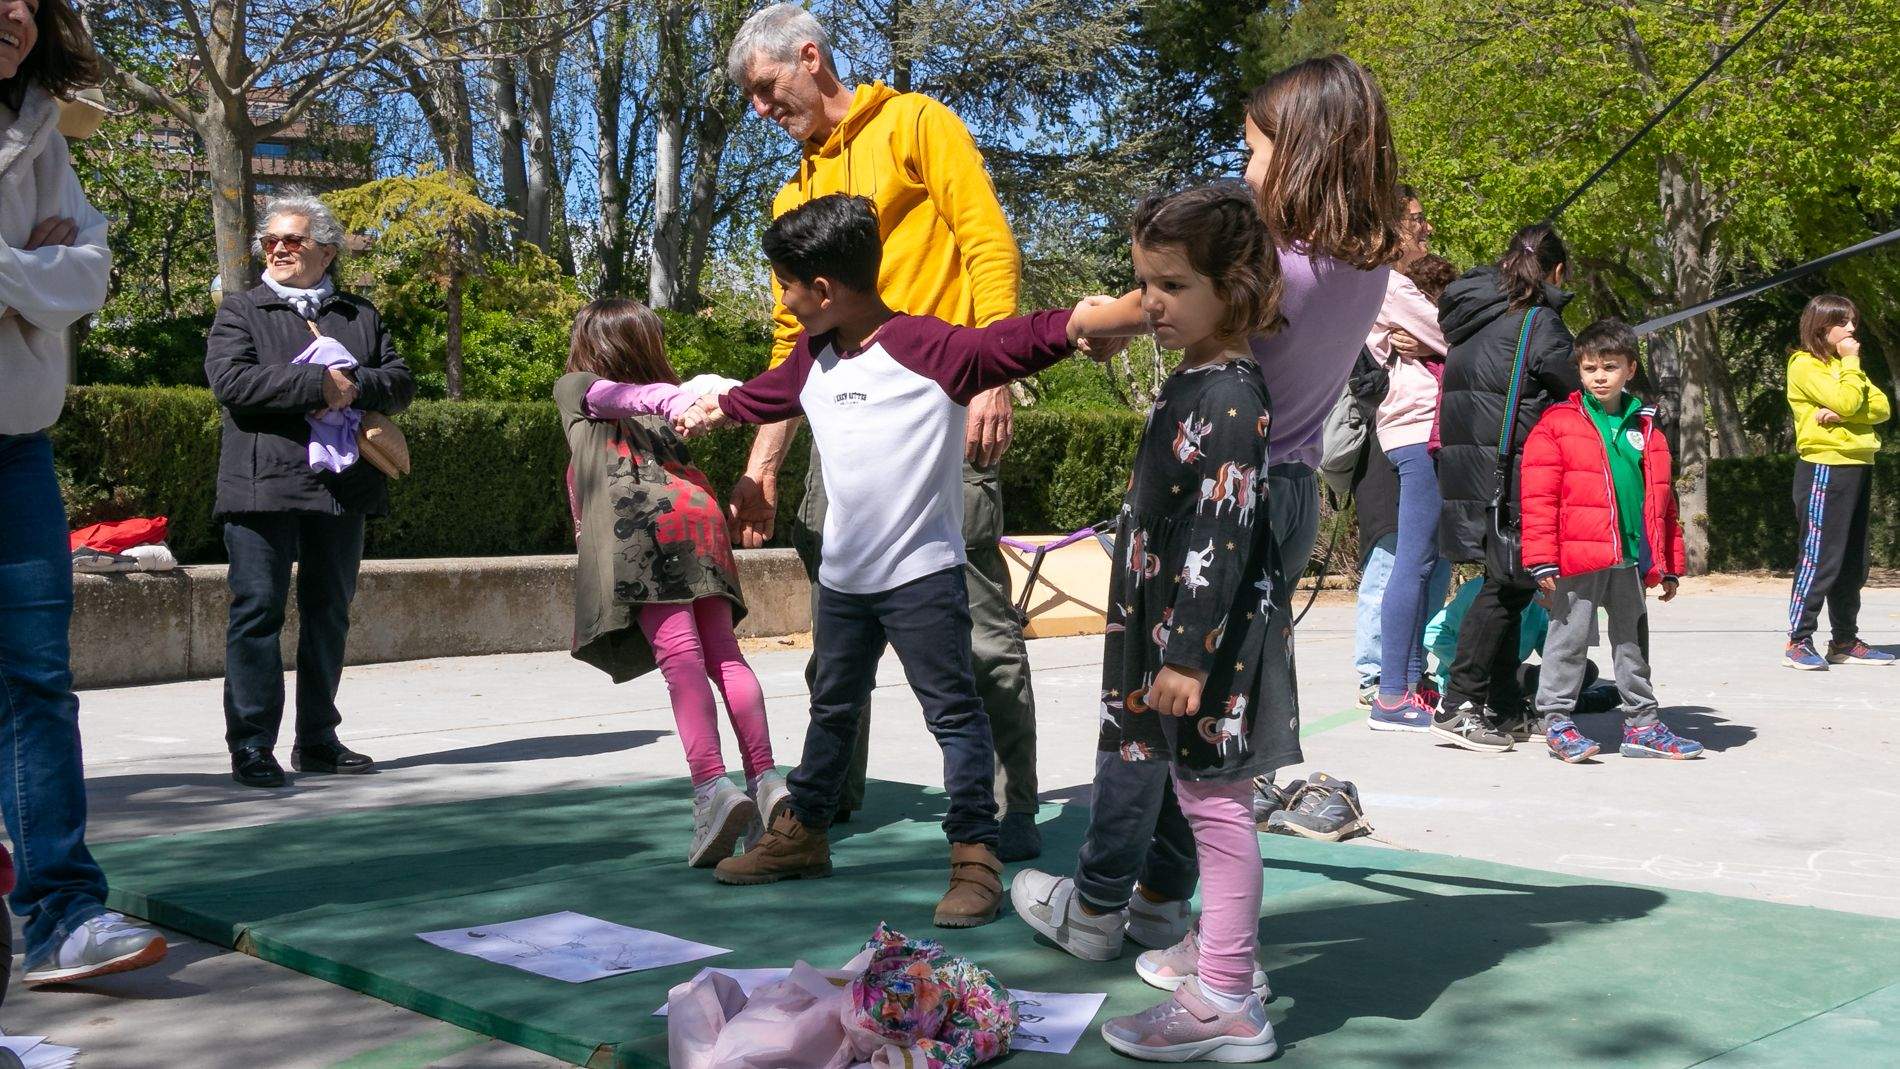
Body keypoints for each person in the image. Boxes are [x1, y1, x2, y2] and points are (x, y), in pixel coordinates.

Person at [1012, 53, 1402, 964]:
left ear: (1305, 150)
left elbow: (1151, 308)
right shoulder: (1362, 261)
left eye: (1256, 150)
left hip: (1215, 499)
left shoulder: (1281, 265)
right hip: (1291, 493)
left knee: (1144, 709)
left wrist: (1103, 317)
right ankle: (1157, 901)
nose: (1248, 169)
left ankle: (1097, 903)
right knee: (1209, 731)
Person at [676, 194, 1137, 928]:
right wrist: (705, 404)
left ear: (823, 291)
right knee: (832, 706)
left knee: (955, 716)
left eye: (787, 287)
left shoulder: (931, 348)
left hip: (922, 580)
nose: (785, 301)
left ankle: (975, 856)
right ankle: (804, 834)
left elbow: (1026, 338)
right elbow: (758, 396)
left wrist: (1119, 314)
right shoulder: (812, 357)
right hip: (845, 585)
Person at [723, 3, 1045, 860]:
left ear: (810, 56)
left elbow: (987, 243)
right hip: (843, 437)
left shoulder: (914, 123)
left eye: (765, 88)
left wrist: (992, 376)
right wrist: (762, 471)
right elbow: (789, 348)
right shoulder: (794, 192)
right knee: (838, 641)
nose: (761, 110)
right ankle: (822, 810)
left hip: (937, 419)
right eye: (751, 98)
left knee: (976, 630)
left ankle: (1005, 813)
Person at [1056, 185, 1289, 1062]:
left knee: (1217, 810)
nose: (1150, 302)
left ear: (1236, 285)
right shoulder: (1197, 374)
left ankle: (1227, 996)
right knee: (1204, 803)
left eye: (1172, 285)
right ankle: (1222, 964)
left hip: (1205, 645)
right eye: (1143, 281)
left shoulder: (1229, 395)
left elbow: (1221, 537)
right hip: (1170, 630)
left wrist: (1186, 654)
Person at [0, 0, 168, 986]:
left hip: (16, 447)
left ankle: (62, 914)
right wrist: (34, 270)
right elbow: (57, 276)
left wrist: (30, 272)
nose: (17, 10)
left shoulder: (38, 131)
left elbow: (92, 274)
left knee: (34, 683)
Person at [553, 299, 785, 868]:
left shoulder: (577, 387)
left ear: (589, 346)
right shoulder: (668, 404)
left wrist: (668, 395)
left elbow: (613, 395)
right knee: (725, 657)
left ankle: (712, 787)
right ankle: (767, 779)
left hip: (645, 529)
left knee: (680, 658)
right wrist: (688, 396)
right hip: (698, 520)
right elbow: (673, 395)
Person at [204, 192, 415, 787]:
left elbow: (398, 382)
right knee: (257, 614)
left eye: (292, 240)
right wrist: (315, 385)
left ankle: (318, 740)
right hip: (261, 486)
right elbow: (232, 382)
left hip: (342, 487)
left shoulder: (360, 314)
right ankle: (251, 746)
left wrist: (352, 383)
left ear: (326, 248)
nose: (277, 249)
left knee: (329, 614)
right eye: (269, 240)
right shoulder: (241, 311)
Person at [1519, 318, 1702, 761]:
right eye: (1589, 368)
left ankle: (1643, 723)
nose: (1599, 376)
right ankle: (1557, 721)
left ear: (1630, 369)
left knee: (1632, 642)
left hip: (1630, 558)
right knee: (1568, 639)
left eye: (1610, 366)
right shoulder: (1558, 424)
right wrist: (1542, 559)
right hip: (1578, 558)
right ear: (1579, 372)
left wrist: (1669, 563)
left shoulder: (1648, 426)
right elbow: (1538, 496)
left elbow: (1664, 501)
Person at [1431, 222, 1582, 752]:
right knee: (1508, 585)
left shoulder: (1476, 316)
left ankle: (1502, 702)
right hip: (1514, 469)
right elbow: (1578, 385)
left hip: (1471, 469)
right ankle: (1460, 703)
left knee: (1507, 581)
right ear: (1557, 272)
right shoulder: (1540, 322)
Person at [1367, 250, 1456, 730]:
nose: (1424, 229)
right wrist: (1437, 343)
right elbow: (1464, 336)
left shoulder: (1382, 288)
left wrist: (1429, 346)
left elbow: (1443, 338)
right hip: (1419, 432)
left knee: (1426, 562)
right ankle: (1390, 695)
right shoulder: (1392, 286)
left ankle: (1412, 681)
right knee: (1414, 561)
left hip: (1415, 433)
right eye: (1416, 219)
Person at [1781, 294, 1894, 670]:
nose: (1851, 330)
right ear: (1821, 326)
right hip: (1824, 467)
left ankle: (1844, 640)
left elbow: (1881, 408)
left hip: (1859, 464)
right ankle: (1798, 640)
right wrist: (1850, 368)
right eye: (1843, 323)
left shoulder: (1848, 368)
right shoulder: (1804, 365)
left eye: (1853, 322)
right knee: (1820, 557)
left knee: (1853, 561)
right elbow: (1849, 401)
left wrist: (1845, 415)